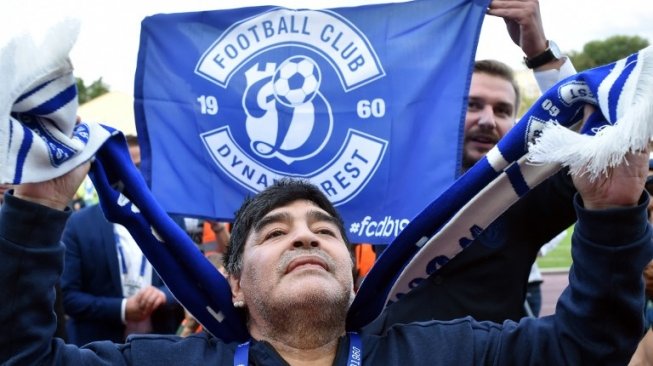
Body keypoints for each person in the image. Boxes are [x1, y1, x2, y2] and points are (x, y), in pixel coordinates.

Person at [0, 141, 651, 364]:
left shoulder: (447, 351)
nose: (306, 235)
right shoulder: (160, 361)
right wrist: (35, 204)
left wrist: (613, 210)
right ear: (232, 284)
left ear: (352, 268)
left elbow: (586, 349)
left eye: (322, 229)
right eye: (275, 232)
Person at [365, 0, 580, 330]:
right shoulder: (388, 178)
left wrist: (540, 54)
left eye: (503, 110)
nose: (488, 120)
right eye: (472, 104)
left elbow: (595, 143)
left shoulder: (525, 194)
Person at [60, 135, 184, 345]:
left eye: (140, 166)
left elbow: (189, 280)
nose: (134, 175)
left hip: (162, 345)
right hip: (99, 350)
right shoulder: (78, 225)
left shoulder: (170, 220)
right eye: (124, 166)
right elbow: (68, 297)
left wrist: (164, 296)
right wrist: (123, 309)